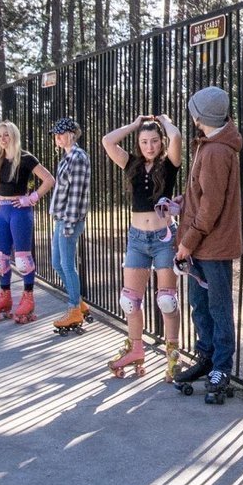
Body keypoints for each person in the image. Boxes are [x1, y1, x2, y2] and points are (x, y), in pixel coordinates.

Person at [173, 86, 243, 404]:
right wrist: (181, 202)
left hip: (211, 246)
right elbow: (202, 196)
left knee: (217, 307)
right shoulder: (209, 145)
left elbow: (211, 206)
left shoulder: (215, 151)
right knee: (200, 305)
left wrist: (187, 242)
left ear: (200, 116)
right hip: (202, 244)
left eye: (193, 111)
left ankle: (221, 366)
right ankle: (206, 357)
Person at [101, 113, 182, 377]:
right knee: (129, 301)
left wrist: (166, 121)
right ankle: (136, 349)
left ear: (161, 142)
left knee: (167, 301)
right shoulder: (132, 164)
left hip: (163, 239)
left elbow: (177, 136)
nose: (149, 146)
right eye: (144, 141)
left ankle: (172, 354)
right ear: (139, 143)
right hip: (137, 239)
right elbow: (107, 141)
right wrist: (134, 125)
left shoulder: (169, 164)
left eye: (155, 141)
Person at [0, 121, 55, 324]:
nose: (3, 138)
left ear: (13, 135)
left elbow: (49, 179)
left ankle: (28, 298)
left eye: (6, 135)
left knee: (23, 259)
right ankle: (4, 296)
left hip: (19, 212)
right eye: (0, 135)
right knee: (0, 258)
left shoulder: (25, 158)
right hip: (2, 211)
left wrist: (31, 198)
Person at [48, 117, 93, 335]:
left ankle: (74, 309)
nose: (57, 137)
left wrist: (69, 223)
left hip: (69, 219)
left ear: (72, 134)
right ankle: (80, 303)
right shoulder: (66, 158)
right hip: (61, 218)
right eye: (56, 134)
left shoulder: (77, 157)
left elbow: (76, 194)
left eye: (61, 133)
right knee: (57, 264)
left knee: (66, 264)